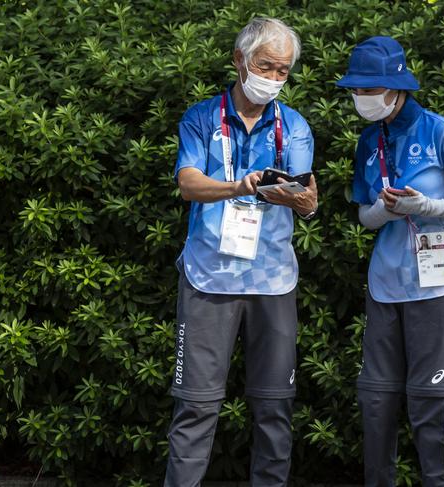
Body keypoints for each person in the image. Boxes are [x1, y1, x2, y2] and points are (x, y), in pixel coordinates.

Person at [165, 17, 318, 487]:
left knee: (274, 408)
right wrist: (237, 186)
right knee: (195, 405)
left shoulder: (293, 125)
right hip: (209, 277)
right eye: (265, 65)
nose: (273, 78)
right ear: (239, 60)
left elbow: (307, 193)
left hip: (273, 280)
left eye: (282, 70)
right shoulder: (201, 117)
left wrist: (303, 201)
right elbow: (188, 183)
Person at [336, 37, 444, 487]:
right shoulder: (369, 139)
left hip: (440, 281)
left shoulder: (441, 131)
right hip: (386, 280)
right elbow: (365, 216)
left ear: (397, 87)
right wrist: (386, 210)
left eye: (370, 89)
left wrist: (427, 206)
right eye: (357, 91)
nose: (363, 98)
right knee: (376, 400)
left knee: (427, 400)